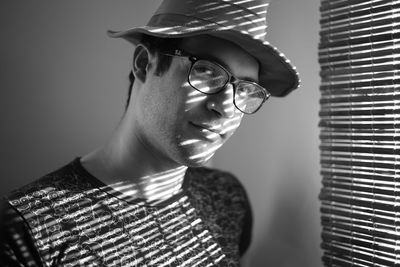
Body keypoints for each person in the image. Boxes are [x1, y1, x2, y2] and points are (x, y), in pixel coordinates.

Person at [0, 0, 300, 266]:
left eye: (245, 89)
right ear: (145, 64)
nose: (226, 107)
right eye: (207, 71)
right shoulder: (26, 229)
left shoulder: (227, 197)